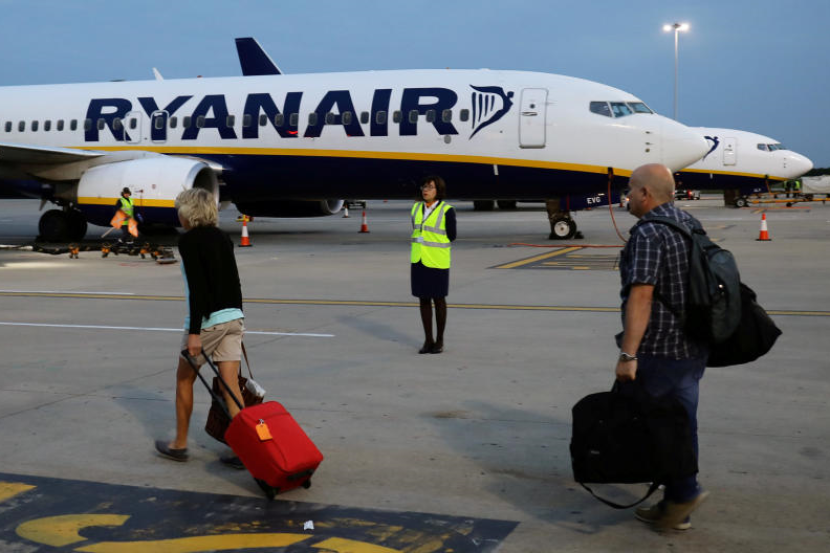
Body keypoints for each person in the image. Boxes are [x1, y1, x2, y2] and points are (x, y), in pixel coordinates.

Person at [615, 163, 710, 530]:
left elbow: (642, 295)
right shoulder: (688, 222)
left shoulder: (650, 232)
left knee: (661, 427)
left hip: (660, 348)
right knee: (682, 423)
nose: (626, 195)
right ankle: (677, 504)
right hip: (692, 345)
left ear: (645, 193)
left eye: (630, 188)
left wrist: (628, 354)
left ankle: (683, 493)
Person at [155, 188, 245, 468]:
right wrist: (237, 318)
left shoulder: (190, 241)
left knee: (184, 380)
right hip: (233, 318)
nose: (177, 215)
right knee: (230, 385)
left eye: (179, 210)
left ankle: (179, 444)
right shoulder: (223, 237)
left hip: (207, 323)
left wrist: (194, 332)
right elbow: (234, 281)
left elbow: (198, 289)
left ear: (188, 212)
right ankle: (244, 449)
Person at [410, 175, 456, 354]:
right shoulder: (416, 208)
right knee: (423, 300)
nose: (425, 190)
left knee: (439, 300)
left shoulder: (447, 210)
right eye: (424, 186)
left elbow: (452, 235)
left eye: (430, 187)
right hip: (419, 260)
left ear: (438, 190)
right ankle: (428, 340)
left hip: (437, 260)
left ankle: (440, 340)